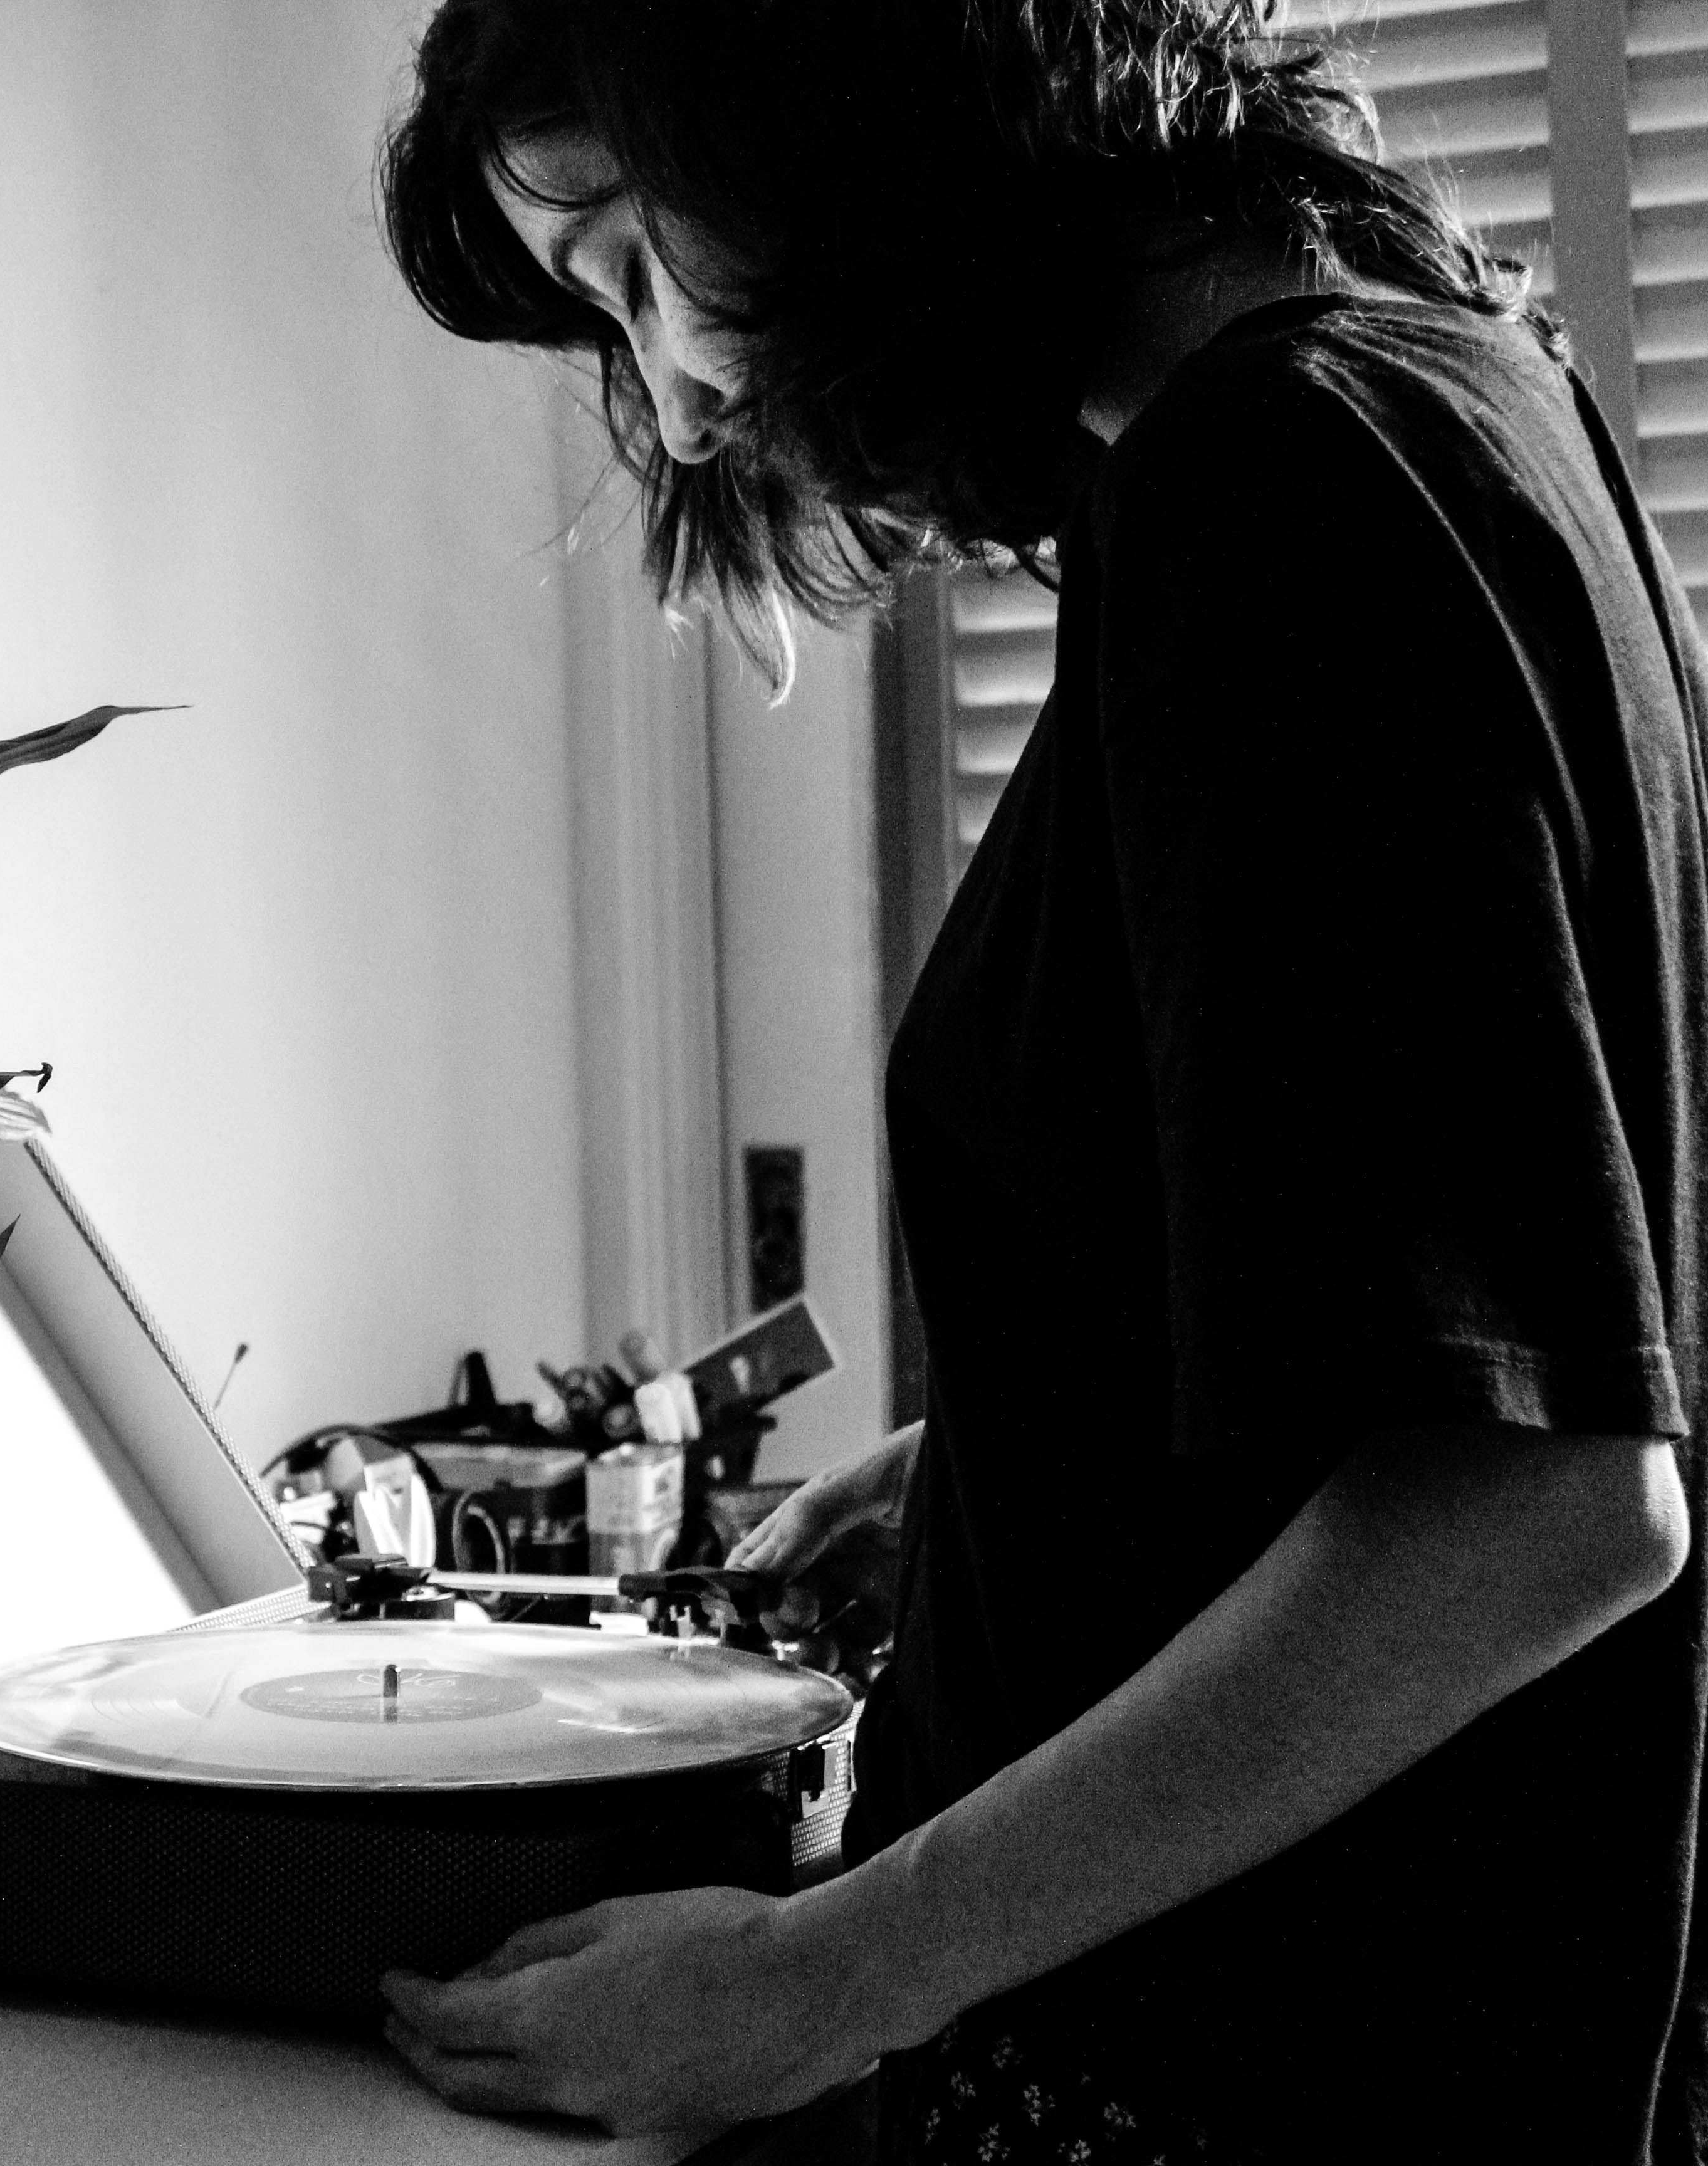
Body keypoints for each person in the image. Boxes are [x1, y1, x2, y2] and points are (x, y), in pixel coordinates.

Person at [375, 4, 1707, 2160]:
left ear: (832, 99)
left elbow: (1538, 1505)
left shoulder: (1278, 486)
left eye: (633, 265)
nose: (686, 407)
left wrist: (826, 1976)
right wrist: (1009, 1472)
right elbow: (1485, 1284)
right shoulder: (1452, 391)